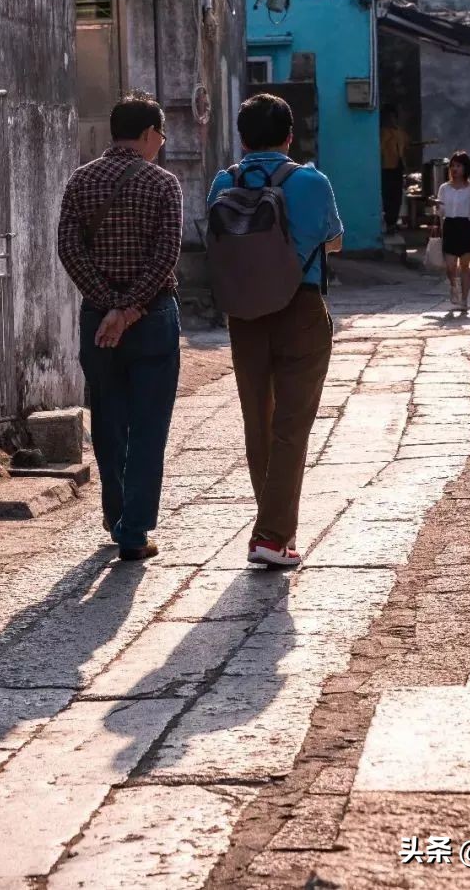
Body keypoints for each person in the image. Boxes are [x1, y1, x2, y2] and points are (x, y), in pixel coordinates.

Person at [208, 93, 343, 570]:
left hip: (244, 315)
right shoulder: (311, 180)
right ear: (290, 135)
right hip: (301, 309)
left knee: (257, 422)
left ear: (242, 138)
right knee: (292, 425)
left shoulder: (224, 181)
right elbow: (335, 241)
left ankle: (273, 532)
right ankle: (271, 535)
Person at [57, 92, 182, 562]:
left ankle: (115, 516)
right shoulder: (164, 184)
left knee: (109, 423)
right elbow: (165, 255)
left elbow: (69, 249)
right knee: (149, 428)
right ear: (149, 134)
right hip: (152, 320)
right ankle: (134, 531)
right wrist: (130, 309)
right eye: (161, 134)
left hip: (98, 324)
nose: (161, 142)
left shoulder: (81, 181)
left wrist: (108, 305)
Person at [435, 151, 470, 312]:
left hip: (465, 226)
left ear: (465, 168)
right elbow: (441, 211)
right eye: (453, 166)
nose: (455, 169)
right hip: (449, 226)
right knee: (450, 266)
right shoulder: (444, 188)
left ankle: (464, 299)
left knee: (465, 266)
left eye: (458, 166)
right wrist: (436, 208)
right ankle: (453, 286)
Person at [379, 105, 410, 233]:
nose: (391, 120)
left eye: (393, 117)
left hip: (398, 166)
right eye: (389, 117)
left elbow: (406, 144)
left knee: (397, 195)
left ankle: (392, 221)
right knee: (388, 194)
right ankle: (388, 221)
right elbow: (380, 148)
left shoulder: (399, 132)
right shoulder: (383, 133)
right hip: (386, 167)